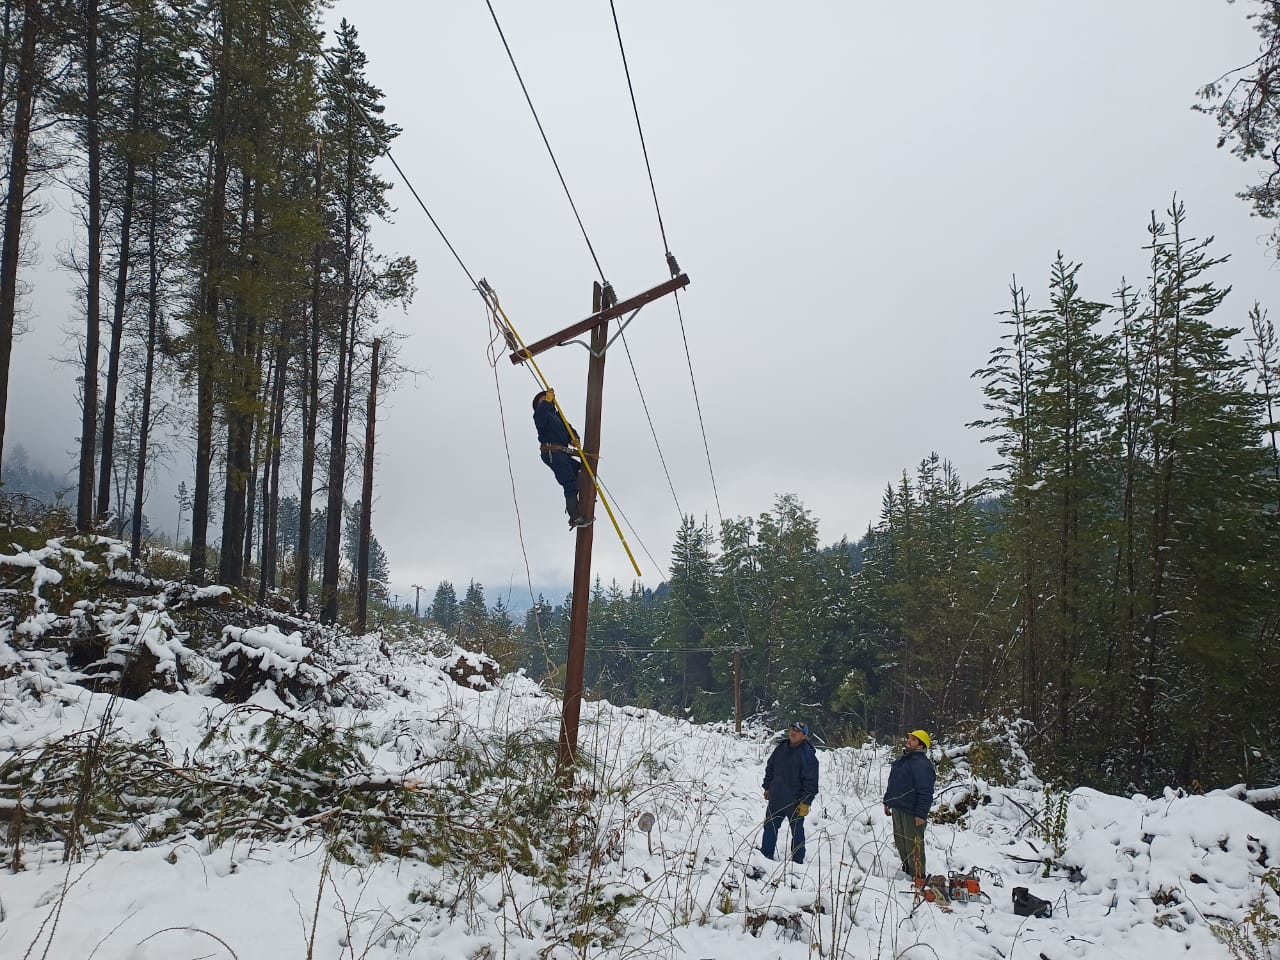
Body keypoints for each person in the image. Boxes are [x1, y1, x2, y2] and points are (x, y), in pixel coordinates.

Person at [761, 721, 819, 864]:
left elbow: (811, 783)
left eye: (798, 731)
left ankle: (798, 861)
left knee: (797, 832)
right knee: (769, 828)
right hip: (776, 798)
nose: (793, 732)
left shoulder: (808, 755)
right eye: (792, 729)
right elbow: (770, 767)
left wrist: (805, 802)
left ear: (804, 736)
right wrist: (767, 787)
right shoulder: (781, 748)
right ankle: (765, 856)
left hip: (795, 803)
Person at [883, 728, 936, 880]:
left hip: (912, 812)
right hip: (898, 807)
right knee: (901, 843)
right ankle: (908, 873)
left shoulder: (922, 765)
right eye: (910, 738)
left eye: (913, 739)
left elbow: (926, 791)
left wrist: (921, 813)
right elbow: (893, 783)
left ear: (920, 746)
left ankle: (919, 877)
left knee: (914, 846)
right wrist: (887, 801)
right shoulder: (902, 760)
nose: (909, 740)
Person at [533, 389, 591, 528]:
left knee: (582, 471)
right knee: (569, 482)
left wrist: (574, 439)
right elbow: (539, 420)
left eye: (547, 398)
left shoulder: (558, 417)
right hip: (552, 452)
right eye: (543, 400)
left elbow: (569, 429)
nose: (546, 400)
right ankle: (574, 517)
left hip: (562, 453)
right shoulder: (541, 414)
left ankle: (584, 501)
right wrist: (546, 402)